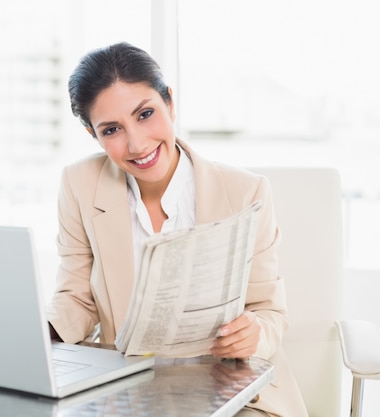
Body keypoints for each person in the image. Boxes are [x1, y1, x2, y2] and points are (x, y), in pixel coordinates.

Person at [45, 42, 308, 417]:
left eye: (146, 114)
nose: (137, 143)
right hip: (130, 394)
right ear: (93, 135)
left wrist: (253, 332)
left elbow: (269, 311)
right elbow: (77, 297)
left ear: (170, 102)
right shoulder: (79, 185)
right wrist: (42, 331)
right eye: (112, 129)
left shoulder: (245, 192)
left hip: (234, 396)